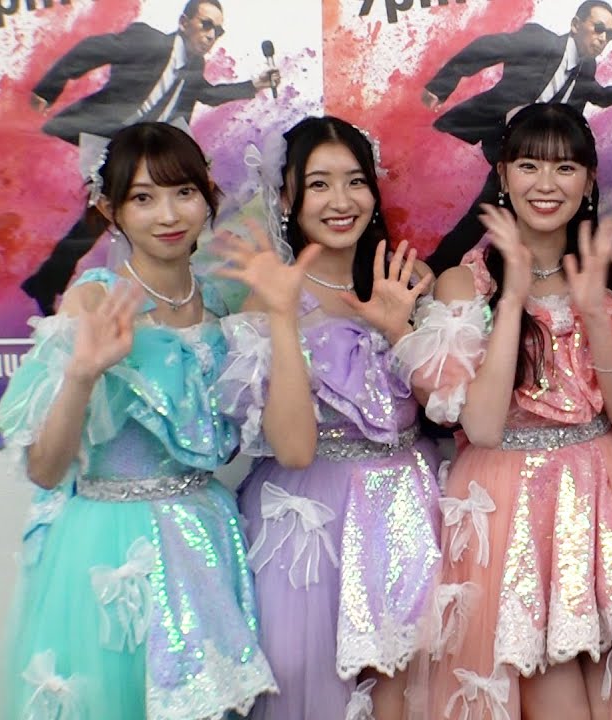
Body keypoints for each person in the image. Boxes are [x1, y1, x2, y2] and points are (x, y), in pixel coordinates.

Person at [0, 121, 279, 719]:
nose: (167, 215)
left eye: (183, 192)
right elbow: (45, 470)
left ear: (207, 197)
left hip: (205, 537)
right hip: (113, 545)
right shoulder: (94, 300)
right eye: (143, 198)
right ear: (112, 211)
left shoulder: (223, 303)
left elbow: (231, 441)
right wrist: (82, 374)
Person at [398, 103, 612, 719]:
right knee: (538, 680)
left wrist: (594, 312)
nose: (547, 184)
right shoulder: (464, 284)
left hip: (606, 488)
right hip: (507, 496)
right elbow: (482, 427)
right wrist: (512, 296)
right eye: (529, 165)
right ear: (504, 176)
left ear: (589, 182)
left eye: (565, 168)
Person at [217, 115, 444, 720]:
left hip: (407, 509)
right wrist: (284, 317)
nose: (341, 201)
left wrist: (405, 328)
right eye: (319, 184)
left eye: (355, 181)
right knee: (308, 676)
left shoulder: (405, 281)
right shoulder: (266, 301)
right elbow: (289, 445)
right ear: (286, 198)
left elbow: (447, 411)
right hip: (310, 518)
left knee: (405, 689)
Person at [21, 0, 281, 316]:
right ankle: (60, 285)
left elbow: (208, 94)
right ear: (184, 22)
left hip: (149, 156)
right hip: (110, 141)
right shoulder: (147, 41)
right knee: (102, 217)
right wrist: (48, 89)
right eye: (206, 25)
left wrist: (255, 85)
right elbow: (91, 50)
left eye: (218, 30)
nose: (212, 35)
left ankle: (52, 282)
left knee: (117, 222)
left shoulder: (194, 66)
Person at [421, 0, 612, 274]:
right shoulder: (538, 41)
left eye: (609, 34)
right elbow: (485, 48)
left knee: (583, 202)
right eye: (598, 28)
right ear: (576, 25)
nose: (603, 38)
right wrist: (441, 86)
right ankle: (434, 271)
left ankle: (585, 274)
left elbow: (599, 95)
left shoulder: (586, 67)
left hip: (550, 160)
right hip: (509, 147)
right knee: (483, 217)